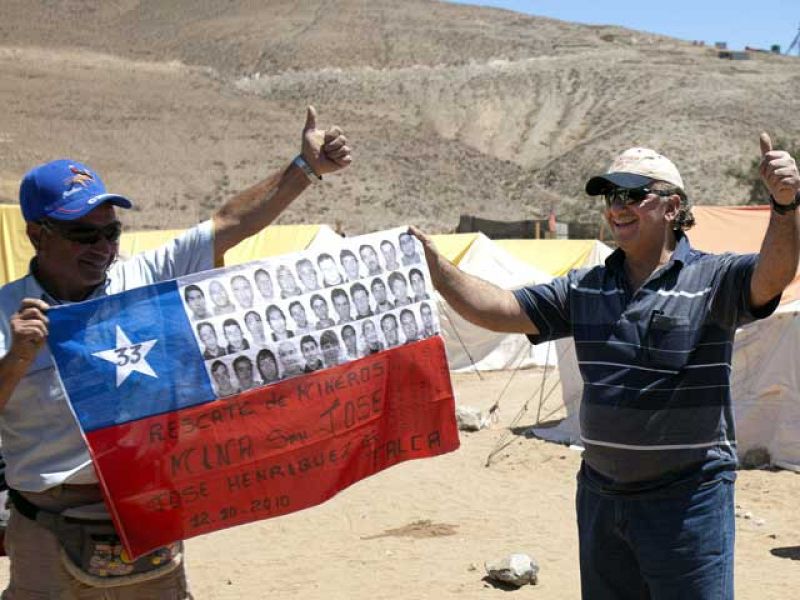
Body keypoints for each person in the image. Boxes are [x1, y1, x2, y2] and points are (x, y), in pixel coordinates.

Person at [412, 138, 800, 600]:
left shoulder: (714, 278)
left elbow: (773, 276)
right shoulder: (586, 287)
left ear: (673, 207)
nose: (618, 207)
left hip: (687, 504)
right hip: (601, 500)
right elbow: (500, 308)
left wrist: (784, 206)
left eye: (633, 194)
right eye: (610, 196)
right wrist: (438, 270)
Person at [0, 105, 350, 596]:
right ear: (37, 233)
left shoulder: (141, 279)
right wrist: (16, 358)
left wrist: (305, 169)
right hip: (48, 530)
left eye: (111, 232)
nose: (102, 247)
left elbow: (230, 223)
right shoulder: (6, 314)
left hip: (148, 518)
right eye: (84, 234)